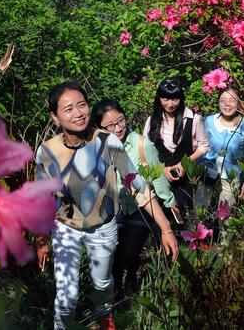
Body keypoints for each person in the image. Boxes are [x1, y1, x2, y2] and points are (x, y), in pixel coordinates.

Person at [35, 82, 178, 330]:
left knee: (102, 286)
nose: (78, 113)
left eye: (82, 105)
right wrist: (41, 240)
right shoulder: (47, 151)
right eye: (68, 109)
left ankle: (105, 320)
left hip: (103, 227)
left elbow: (138, 187)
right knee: (66, 298)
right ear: (54, 116)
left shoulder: (108, 142)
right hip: (65, 229)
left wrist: (165, 227)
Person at [92, 98, 179, 298]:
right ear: (99, 127)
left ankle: (131, 276)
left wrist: (169, 202)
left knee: (129, 252)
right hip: (115, 208)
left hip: (141, 208)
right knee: (113, 256)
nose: (118, 128)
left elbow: (157, 177)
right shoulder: (97, 149)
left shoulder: (142, 144)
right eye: (111, 125)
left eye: (121, 121)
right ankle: (117, 296)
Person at [142, 77, 210, 222]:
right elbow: (145, 148)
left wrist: (185, 163)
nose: (170, 104)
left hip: (184, 177)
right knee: (161, 216)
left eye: (175, 99)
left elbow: (204, 145)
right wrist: (161, 170)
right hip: (159, 176)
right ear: (159, 98)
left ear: (181, 98)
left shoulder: (193, 119)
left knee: (184, 213)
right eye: (165, 99)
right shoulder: (152, 120)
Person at [199, 87, 244, 208]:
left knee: (224, 216)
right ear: (218, 102)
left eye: (232, 100)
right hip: (207, 172)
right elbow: (201, 146)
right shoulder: (209, 121)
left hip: (231, 177)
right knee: (199, 210)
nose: (227, 104)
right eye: (223, 100)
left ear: (239, 103)